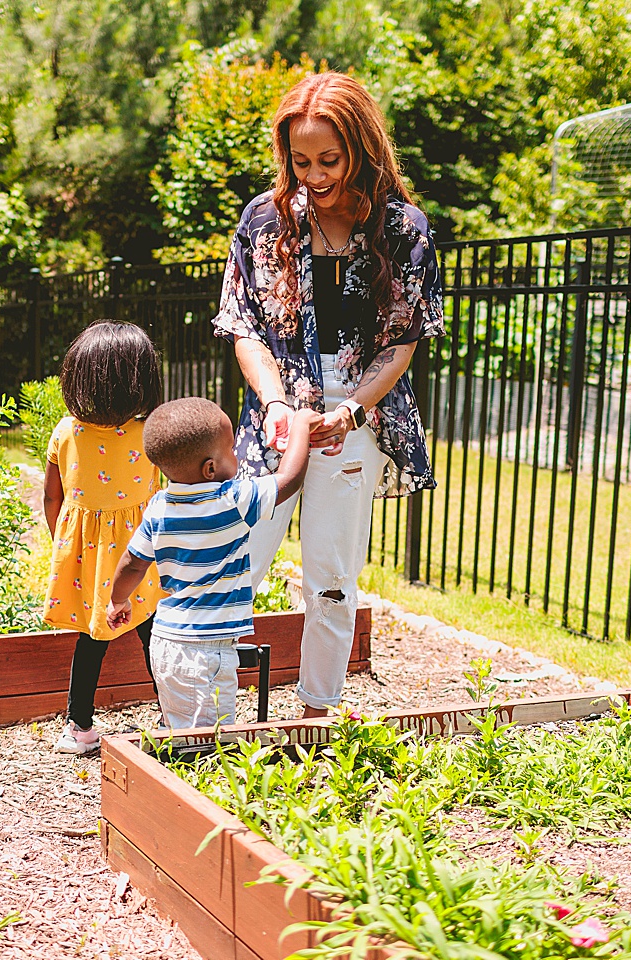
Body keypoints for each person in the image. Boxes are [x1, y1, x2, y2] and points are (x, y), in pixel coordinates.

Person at [211, 72, 444, 718]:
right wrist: (279, 406)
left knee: (332, 584)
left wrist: (350, 409)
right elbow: (244, 327)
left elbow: (402, 343)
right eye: (299, 159)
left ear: (362, 150)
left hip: (355, 423)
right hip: (274, 420)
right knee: (237, 565)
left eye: (329, 161)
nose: (312, 175)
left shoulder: (403, 230)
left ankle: (317, 718)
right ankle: (214, 717)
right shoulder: (266, 219)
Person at [107, 397, 319, 731]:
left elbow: (133, 562)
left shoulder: (159, 508)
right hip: (206, 651)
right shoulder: (230, 501)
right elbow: (288, 479)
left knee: (181, 730)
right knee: (210, 740)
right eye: (232, 450)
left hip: (164, 642)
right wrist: (303, 424)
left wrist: (119, 600)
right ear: (210, 469)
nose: (237, 456)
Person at [42, 320, 170, 755]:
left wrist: (66, 547)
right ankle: (174, 716)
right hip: (142, 556)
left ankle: (77, 727)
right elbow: (164, 496)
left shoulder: (67, 432)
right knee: (155, 631)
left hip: (91, 562)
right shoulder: (150, 433)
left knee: (92, 640)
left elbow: (51, 499)